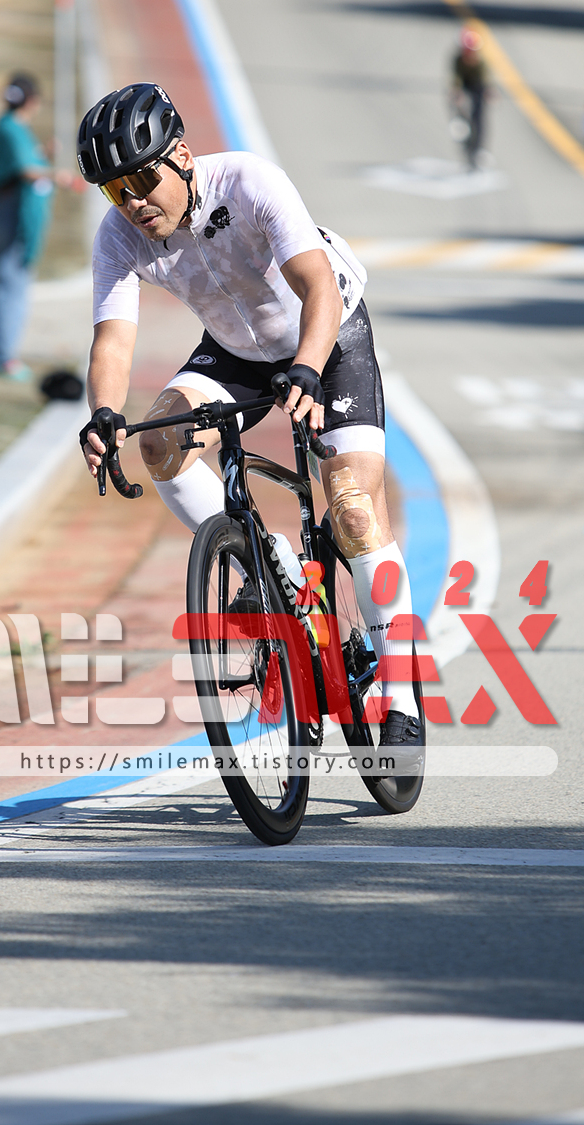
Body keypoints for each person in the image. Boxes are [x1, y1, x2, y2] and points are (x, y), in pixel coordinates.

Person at [75, 81, 422, 750]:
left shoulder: (248, 182)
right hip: (237, 350)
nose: (134, 202)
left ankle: (401, 698)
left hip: (328, 336)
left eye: (142, 179)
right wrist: (104, 416)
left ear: (182, 156)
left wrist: (307, 368)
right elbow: (112, 340)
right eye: (116, 191)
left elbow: (318, 287)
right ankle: (269, 566)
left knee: (353, 510)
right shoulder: (119, 237)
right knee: (161, 444)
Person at [0, 72, 55, 379]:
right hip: (12, 216)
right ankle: (5, 357)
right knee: (13, 287)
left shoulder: (8, 126)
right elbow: (25, 169)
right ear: (32, 101)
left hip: (4, 212)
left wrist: (43, 155)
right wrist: (58, 175)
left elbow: (21, 162)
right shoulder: (11, 127)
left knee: (6, 285)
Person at [449, 26, 488, 167]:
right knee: (458, 106)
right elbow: (456, 79)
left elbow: (485, 80)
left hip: (476, 85)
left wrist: (488, 92)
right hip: (464, 86)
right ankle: (461, 126)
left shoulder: (480, 62)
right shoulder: (458, 60)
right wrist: (457, 92)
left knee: (479, 116)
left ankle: (478, 148)